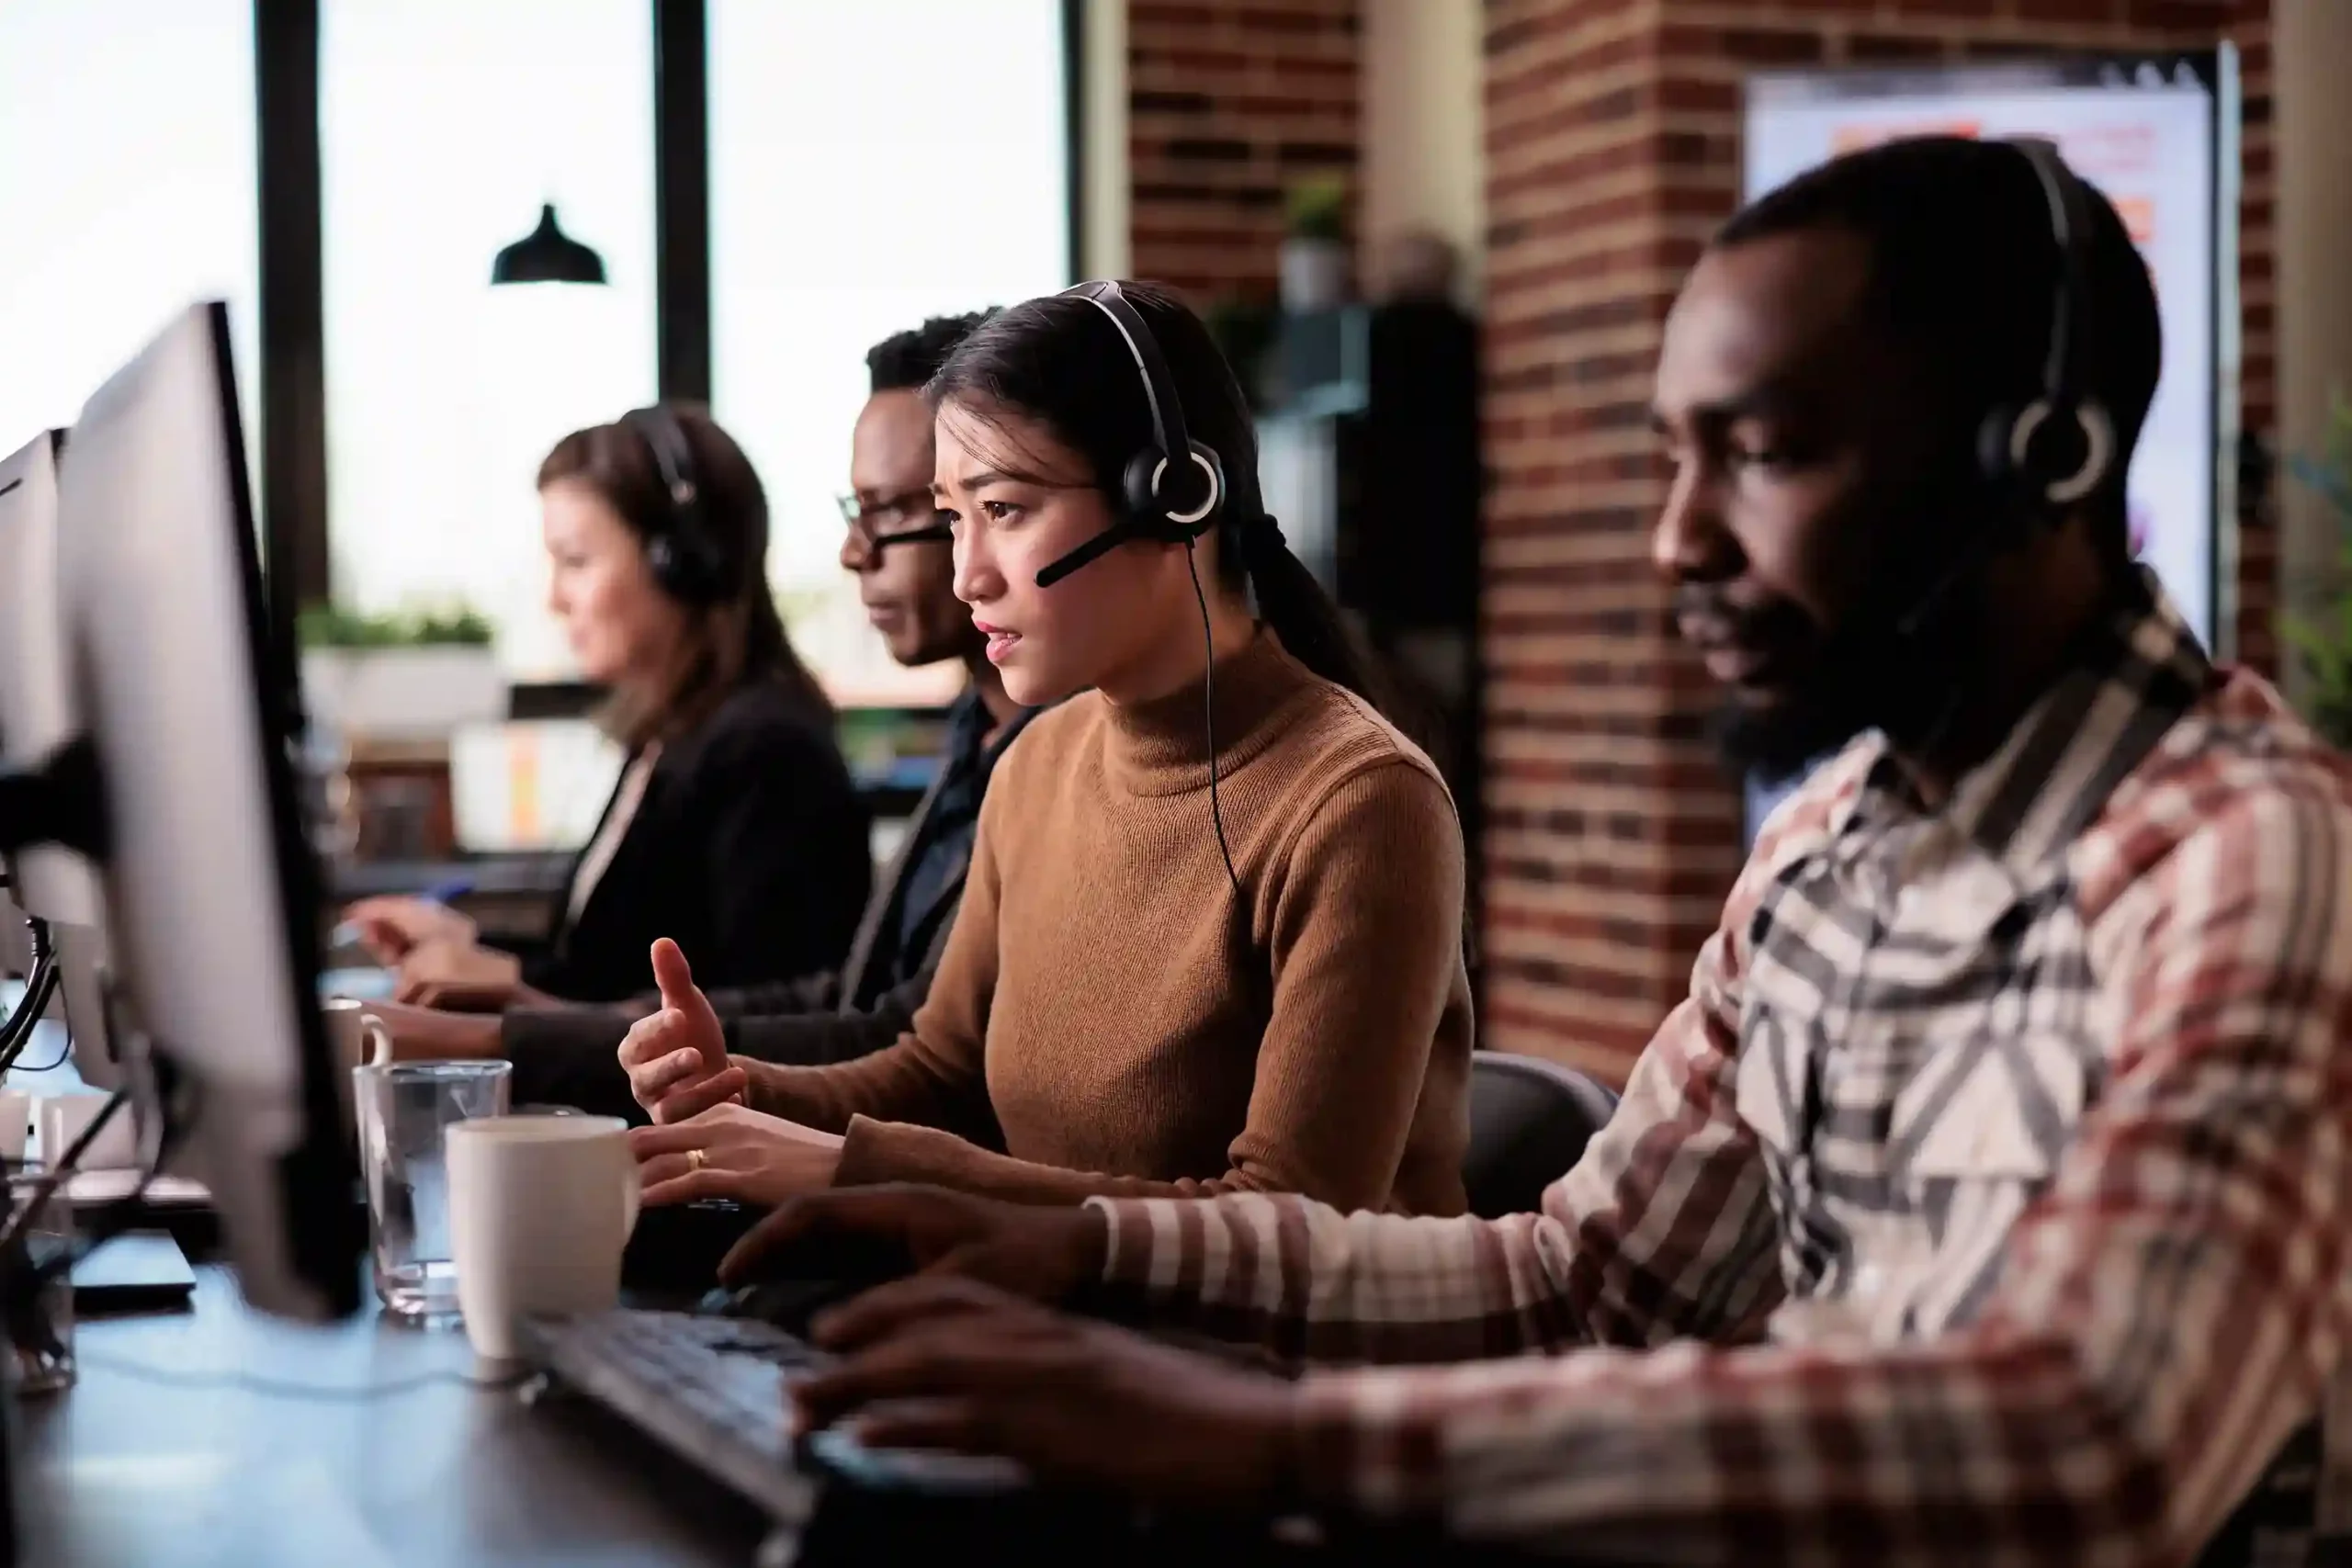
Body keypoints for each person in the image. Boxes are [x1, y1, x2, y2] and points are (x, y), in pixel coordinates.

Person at [712, 139, 2352, 1565]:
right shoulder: (1830, 860)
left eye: (1761, 457)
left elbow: (2096, 1446)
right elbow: (1588, 1282)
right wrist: (1079, 1250)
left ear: (2041, 463)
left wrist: (1274, 1442)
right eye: (1673, 456)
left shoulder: (2255, 859)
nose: (1675, 540)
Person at [623, 281, 1476, 1216]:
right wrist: (738, 1091)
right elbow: (939, 1073)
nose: (966, 574)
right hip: (1045, 1334)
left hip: (1262, 1362)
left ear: (1172, 494)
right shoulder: (1036, 761)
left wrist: (858, 1171)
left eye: (1005, 509)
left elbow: (1283, 1227)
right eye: (953, 518)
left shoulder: (1362, 802)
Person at [366, 316, 1035, 1113]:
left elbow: (875, 1033)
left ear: (682, 564)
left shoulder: (770, 747)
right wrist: (496, 987)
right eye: (864, 509)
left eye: (905, 511)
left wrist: (498, 1029)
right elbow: (855, 1005)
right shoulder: (976, 738)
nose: (855, 552)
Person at [345, 405, 872, 1009]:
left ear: (679, 562)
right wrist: (470, 948)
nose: (554, 598)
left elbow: (767, 1021)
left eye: (575, 561)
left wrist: (511, 996)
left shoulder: (769, 752)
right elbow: (602, 975)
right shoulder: (669, 738)